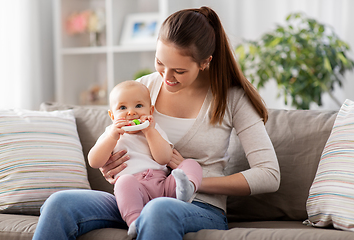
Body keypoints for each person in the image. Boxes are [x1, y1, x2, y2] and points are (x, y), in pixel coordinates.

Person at [32, 6, 280, 240]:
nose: (166, 77)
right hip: (135, 199)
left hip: (198, 205)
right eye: (160, 63)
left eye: (179, 71)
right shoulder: (144, 87)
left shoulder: (231, 98)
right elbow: (112, 145)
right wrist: (110, 166)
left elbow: (269, 175)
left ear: (205, 62)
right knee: (60, 204)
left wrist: (195, 181)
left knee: (159, 209)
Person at [87, 80, 202, 237]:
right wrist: (112, 137)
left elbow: (164, 158)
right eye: (122, 108)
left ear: (151, 110)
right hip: (135, 189)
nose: (131, 113)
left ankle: (185, 189)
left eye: (139, 106)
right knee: (123, 182)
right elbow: (94, 161)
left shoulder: (154, 130)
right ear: (112, 115)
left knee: (190, 164)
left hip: (162, 185)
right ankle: (135, 220)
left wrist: (150, 132)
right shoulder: (111, 134)